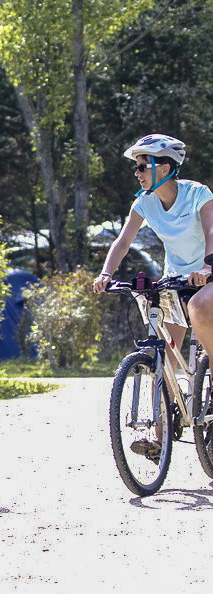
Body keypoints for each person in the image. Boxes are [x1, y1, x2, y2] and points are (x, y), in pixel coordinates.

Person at [92, 134, 213, 460]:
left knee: (199, 306)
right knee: (162, 358)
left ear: (166, 167)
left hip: (208, 272)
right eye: (137, 166)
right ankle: (159, 440)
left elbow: (212, 231)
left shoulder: (197, 193)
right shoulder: (144, 202)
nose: (137, 172)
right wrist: (106, 273)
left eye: (143, 165)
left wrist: (206, 265)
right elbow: (123, 240)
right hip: (175, 277)